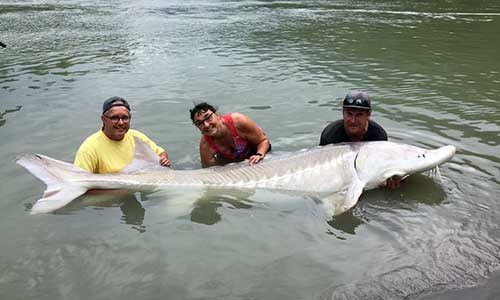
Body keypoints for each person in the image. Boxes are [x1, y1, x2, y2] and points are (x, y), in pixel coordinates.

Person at [319, 91, 401, 189]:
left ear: (368, 115)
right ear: (343, 113)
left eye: (359, 115)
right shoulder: (330, 134)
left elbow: (380, 165)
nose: (353, 120)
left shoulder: (378, 136)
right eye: (349, 114)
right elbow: (322, 167)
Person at [74, 96, 170, 173]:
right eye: (114, 118)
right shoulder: (89, 148)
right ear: (103, 119)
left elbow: (161, 152)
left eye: (125, 118)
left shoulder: (136, 137)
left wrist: (163, 159)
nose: (120, 123)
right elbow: (78, 182)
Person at [190, 102, 271, 168]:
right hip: (234, 161)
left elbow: (263, 141)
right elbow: (207, 168)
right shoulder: (205, 145)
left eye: (208, 117)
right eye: (200, 123)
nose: (206, 125)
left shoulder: (239, 121)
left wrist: (259, 154)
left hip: (258, 153)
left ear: (217, 115)